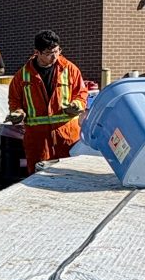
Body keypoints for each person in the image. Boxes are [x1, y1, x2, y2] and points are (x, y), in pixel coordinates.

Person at [7, 30, 88, 174]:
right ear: (37, 52)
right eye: (49, 53)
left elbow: (81, 94)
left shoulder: (70, 69)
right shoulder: (23, 76)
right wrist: (17, 112)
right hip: (38, 141)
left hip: (67, 137)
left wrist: (77, 104)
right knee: (39, 178)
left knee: (70, 175)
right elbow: (14, 100)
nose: (55, 56)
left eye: (57, 51)